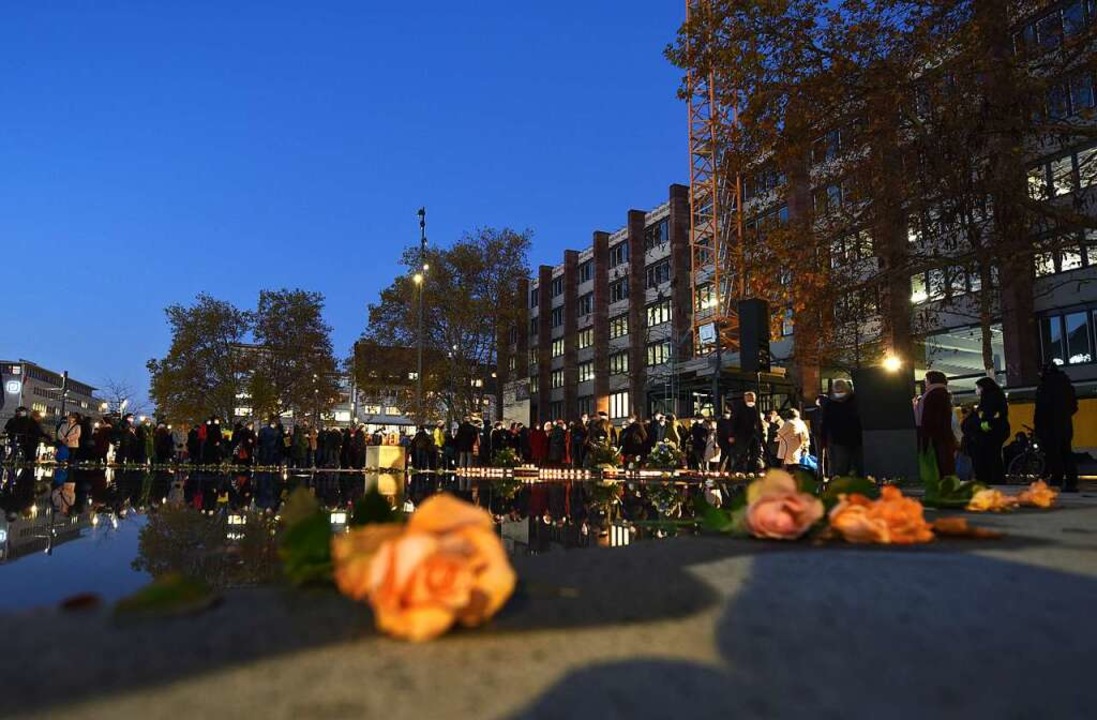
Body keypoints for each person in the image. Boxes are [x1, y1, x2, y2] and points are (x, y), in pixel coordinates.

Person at [1034, 362, 1079, 492]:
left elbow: (1041, 410)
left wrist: (1039, 426)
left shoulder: (1045, 387)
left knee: (1053, 454)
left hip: (1049, 427)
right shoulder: (1066, 386)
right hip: (1065, 425)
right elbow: (1074, 406)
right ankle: (1071, 482)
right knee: (1066, 452)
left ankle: (1057, 480)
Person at [969, 377, 1010, 485]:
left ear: (984, 388)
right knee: (994, 457)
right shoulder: (997, 397)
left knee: (990, 458)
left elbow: (986, 418)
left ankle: (992, 480)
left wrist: (977, 425)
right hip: (996, 432)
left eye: (978, 387)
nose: (976, 390)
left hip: (989, 434)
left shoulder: (989, 399)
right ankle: (996, 479)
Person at [916, 371, 957, 478]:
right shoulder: (941, 393)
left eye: (926, 380)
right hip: (942, 435)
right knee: (943, 461)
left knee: (939, 461)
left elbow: (930, 417)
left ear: (931, 380)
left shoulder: (934, 394)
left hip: (935, 435)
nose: (925, 383)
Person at [820, 379, 863, 477]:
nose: (840, 395)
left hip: (855, 439)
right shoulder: (831, 405)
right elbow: (825, 423)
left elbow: (825, 423)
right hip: (840, 441)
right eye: (838, 392)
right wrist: (824, 439)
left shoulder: (855, 401)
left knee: (856, 465)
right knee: (842, 467)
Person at [732, 392, 764, 472]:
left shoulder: (755, 408)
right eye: (749, 399)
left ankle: (752, 470)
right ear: (745, 399)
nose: (751, 401)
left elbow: (758, 421)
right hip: (742, 435)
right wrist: (732, 434)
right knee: (742, 454)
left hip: (754, 435)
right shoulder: (739, 408)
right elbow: (734, 421)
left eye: (753, 399)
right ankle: (740, 471)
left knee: (755, 454)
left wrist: (761, 432)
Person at [715, 408, 735, 472]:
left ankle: (725, 469)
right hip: (724, 441)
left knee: (728, 456)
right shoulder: (721, 421)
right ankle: (722, 469)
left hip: (729, 441)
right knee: (725, 455)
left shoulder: (731, 420)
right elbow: (720, 432)